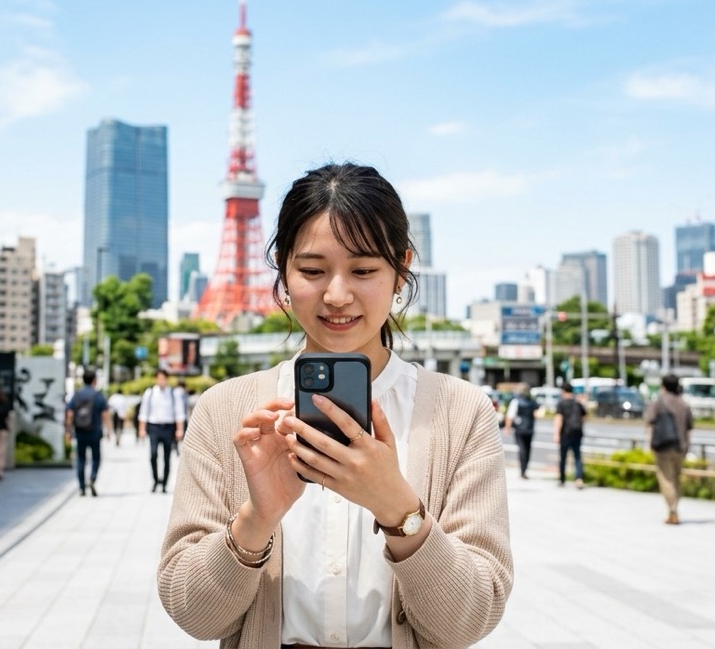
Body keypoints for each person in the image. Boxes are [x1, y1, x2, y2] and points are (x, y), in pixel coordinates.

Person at [158, 163, 513, 648]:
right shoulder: (225, 410)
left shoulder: (461, 412)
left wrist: (398, 507)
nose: (337, 295)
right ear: (282, 269)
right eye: (312, 270)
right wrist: (257, 518)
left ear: (401, 269)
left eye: (363, 270)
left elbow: (467, 623)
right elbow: (194, 615)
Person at [644, 373, 694, 525]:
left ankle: (672, 510)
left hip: (663, 445)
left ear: (663, 386)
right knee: (676, 478)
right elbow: (689, 428)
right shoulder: (684, 404)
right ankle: (674, 507)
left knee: (666, 479)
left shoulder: (658, 402)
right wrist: (687, 446)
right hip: (680, 446)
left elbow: (649, 423)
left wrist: (649, 444)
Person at [138, 369, 185, 492]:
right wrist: (142, 429)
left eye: (163, 379)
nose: (161, 381)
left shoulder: (173, 393)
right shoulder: (150, 393)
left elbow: (179, 413)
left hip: (168, 427)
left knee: (167, 456)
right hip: (154, 427)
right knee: (153, 454)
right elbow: (143, 412)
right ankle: (155, 480)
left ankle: (164, 483)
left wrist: (179, 429)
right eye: (159, 378)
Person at [65, 370, 111, 496]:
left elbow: (70, 414)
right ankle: (92, 478)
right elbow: (105, 414)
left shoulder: (76, 395)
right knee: (96, 458)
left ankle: (81, 487)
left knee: (81, 459)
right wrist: (109, 430)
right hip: (95, 431)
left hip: (80, 431)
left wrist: (68, 430)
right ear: (94, 380)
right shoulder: (98, 395)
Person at [553, 382, 586, 488]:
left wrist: (556, 434)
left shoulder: (561, 403)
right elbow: (583, 417)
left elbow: (559, 418)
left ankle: (562, 479)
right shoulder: (577, 403)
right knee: (577, 457)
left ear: (563, 391)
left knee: (563, 457)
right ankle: (579, 479)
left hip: (565, 433)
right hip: (577, 433)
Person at [502, 383, 538, 479]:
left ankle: (522, 470)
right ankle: (524, 469)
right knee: (528, 449)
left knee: (522, 449)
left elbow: (510, 415)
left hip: (519, 428)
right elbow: (536, 414)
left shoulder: (516, 401)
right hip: (530, 429)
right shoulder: (532, 402)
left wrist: (507, 427)